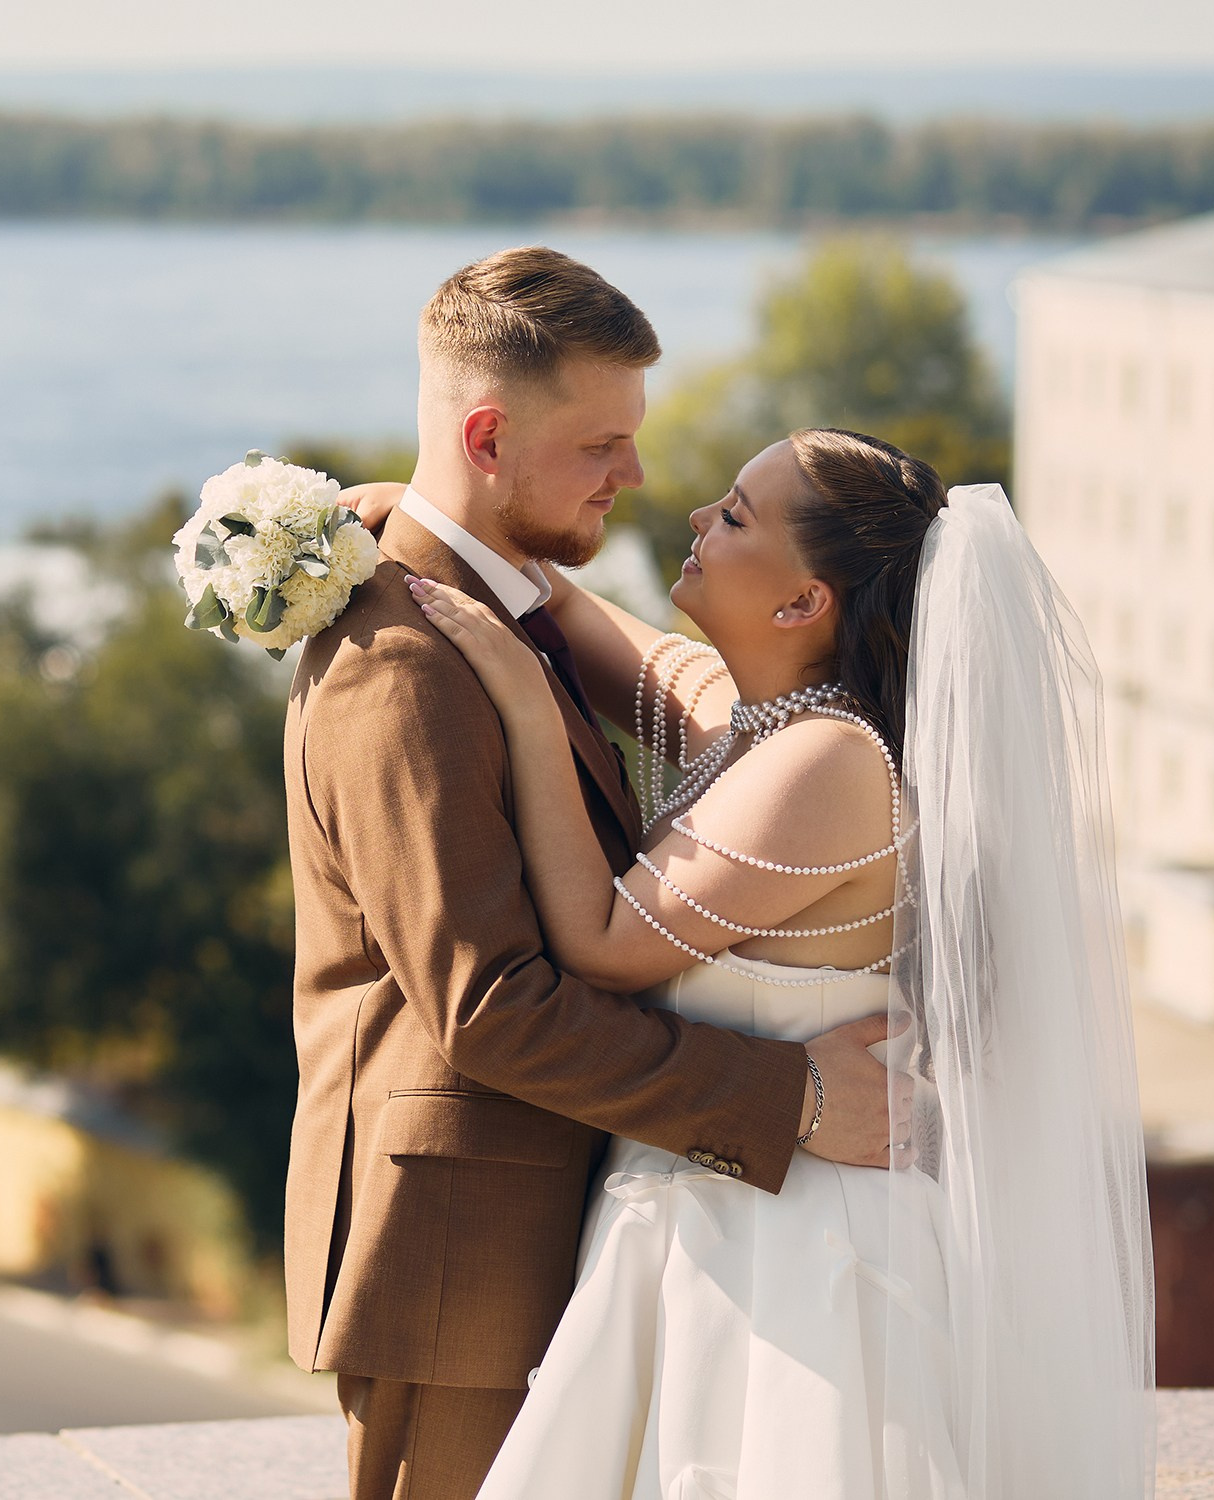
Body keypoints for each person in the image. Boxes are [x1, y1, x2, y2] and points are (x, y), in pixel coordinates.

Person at [399, 428, 1155, 1496]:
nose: (699, 516)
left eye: (739, 515)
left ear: (804, 604)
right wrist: (415, 509)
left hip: (791, 1253)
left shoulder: (829, 764)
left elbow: (605, 946)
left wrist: (524, 708)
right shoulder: (757, 725)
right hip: (724, 1207)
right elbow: (565, 611)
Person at [281, 246, 904, 1500]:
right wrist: (793, 1098)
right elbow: (488, 1007)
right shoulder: (405, 659)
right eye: (600, 446)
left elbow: (628, 652)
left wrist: (418, 509)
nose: (638, 477)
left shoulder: (510, 613)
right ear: (489, 434)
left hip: (598, 1230)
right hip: (459, 1255)